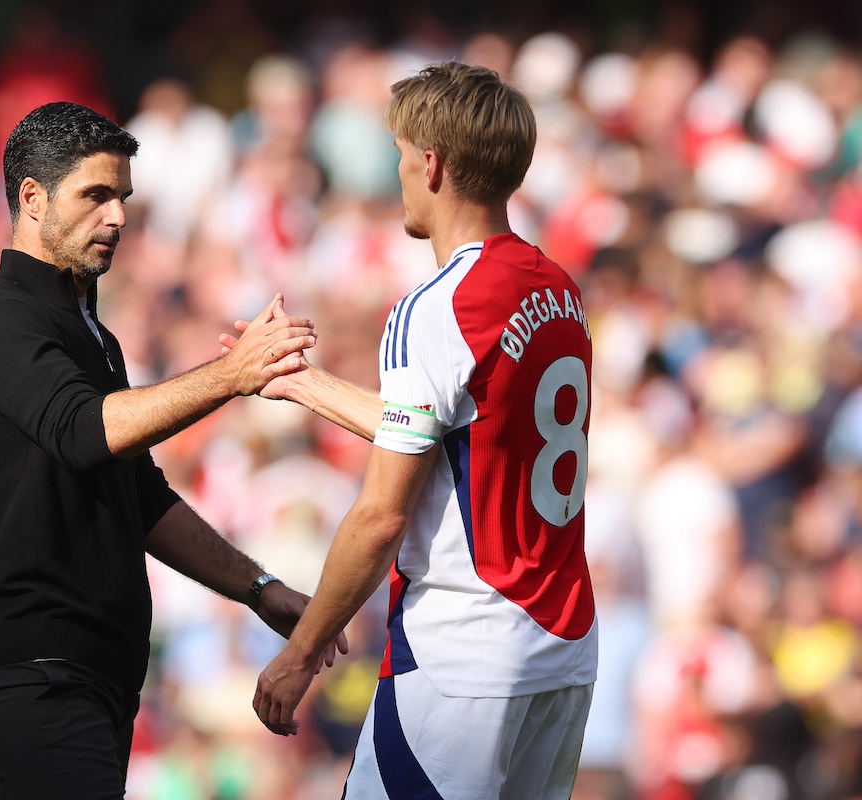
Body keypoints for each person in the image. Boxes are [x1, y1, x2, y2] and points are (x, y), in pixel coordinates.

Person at [0, 101, 343, 799]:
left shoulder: (93, 333)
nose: (118, 215)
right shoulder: (0, 321)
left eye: (122, 196)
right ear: (31, 198)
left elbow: (142, 499)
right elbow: (85, 431)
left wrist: (257, 589)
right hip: (37, 671)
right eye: (96, 194)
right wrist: (230, 376)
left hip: (91, 677)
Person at [240, 63, 598, 798]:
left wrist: (301, 653)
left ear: (430, 164)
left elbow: (381, 515)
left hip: (460, 658)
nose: (398, 170)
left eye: (400, 153)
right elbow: (456, 434)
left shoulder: (436, 306)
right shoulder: (556, 287)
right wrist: (302, 382)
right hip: (558, 647)